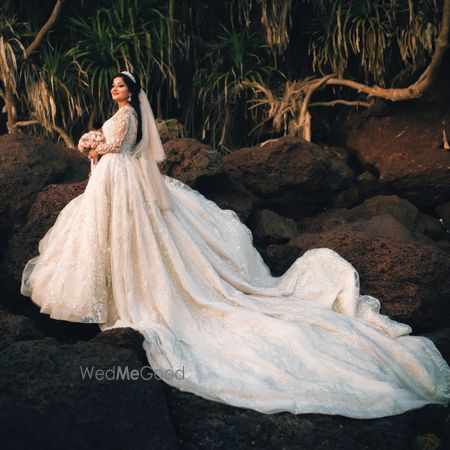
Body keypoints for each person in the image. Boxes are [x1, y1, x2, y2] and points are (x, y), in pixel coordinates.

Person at [20, 70, 450, 419]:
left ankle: (129, 296)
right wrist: (93, 146)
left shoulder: (129, 115)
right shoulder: (122, 112)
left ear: (132, 92)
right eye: (112, 85)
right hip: (116, 179)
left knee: (133, 237)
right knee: (110, 234)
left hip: (121, 175)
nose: (115, 89)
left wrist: (95, 142)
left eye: (121, 85)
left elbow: (118, 145)